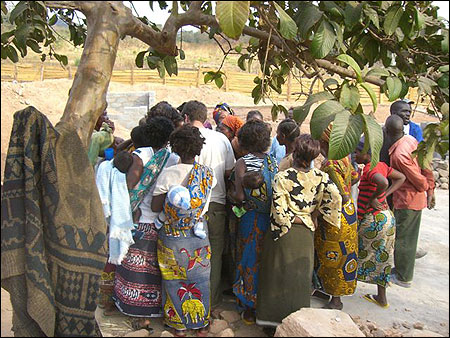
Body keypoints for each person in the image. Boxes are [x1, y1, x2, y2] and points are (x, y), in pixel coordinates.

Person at [256, 134, 342, 328]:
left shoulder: (282, 177)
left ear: (294, 153)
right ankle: (296, 324)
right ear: (313, 157)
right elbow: (337, 198)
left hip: (282, 234)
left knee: (275, 276)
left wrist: (295, 217)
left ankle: (271, 323)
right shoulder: (321, 177)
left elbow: (279, 213)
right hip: (305, 234)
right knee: (300, 278)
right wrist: (315, 215)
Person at [112, 116, 179, 329]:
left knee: (134, 267)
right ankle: (155, 307)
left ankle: (138, 313)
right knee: (154, 268)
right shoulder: (172, 158)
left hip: (139, 219)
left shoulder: (140, 155)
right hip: (160, 221)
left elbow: (128, 187)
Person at [151, 125, 216, 337]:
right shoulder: (207, 174)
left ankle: (177, 324)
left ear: (175, 148)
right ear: (199, 149)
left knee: (172, 278)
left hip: (172, 235)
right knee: (200, 277)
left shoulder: (168, 175)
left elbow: (155, 206)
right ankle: (201, 324)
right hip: (198, 234)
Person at [181, 100, 236, 308]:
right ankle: (210, 303)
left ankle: (188, 302)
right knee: (214, 255)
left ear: (186, 118)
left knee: (190, 254)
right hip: (216, 203)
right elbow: (229, 170)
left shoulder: (184, 138)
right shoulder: (221, 139)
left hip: (190, 205)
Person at [228, 119, 278, 324]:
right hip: (271, 218)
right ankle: (265, 303)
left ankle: (248, 307)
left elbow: (240, 196)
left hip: (250, 217)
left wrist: (231, 195)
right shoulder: (273, 161)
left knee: (248, 258)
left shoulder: (243, 163)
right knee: (265, 260)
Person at [312, 125, 361, 310]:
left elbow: (340, 194)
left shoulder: (330, 164)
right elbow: (355, 177)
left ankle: (336, 299)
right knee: (337, 253)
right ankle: (325, 289)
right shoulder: (344, 157)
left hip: (336, 216)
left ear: (324, 141)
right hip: (348, 213)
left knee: (335, 256)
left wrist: (317, 211)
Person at [385, 115, 435, 288]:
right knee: (407, 235)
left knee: (405, 238)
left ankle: (403, 276)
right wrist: (431, 188)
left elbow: (418, 180)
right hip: (412, 197)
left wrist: (427, 186)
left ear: (389, 132)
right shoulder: (410, 140)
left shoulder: (399, 154)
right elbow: (425, 163)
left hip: (408, 199)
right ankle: (401, 269)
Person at [355, 139, 406, 308]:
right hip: (386, 218)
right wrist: (383, 196)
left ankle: (337, 292)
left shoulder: (370, 169)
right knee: (382, 257)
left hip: (374, 219)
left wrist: (373, 198)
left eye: (357, 152)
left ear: (367, 154)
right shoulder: (381, 165)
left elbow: (383, 183)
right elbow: (400, 177)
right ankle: (381, 298)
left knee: (354, 251)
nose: (354, 155)